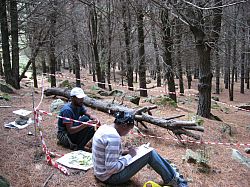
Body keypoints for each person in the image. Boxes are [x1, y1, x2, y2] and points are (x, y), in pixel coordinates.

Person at [92, 111, 188, 187]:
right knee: (150, 154)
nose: (128, 133)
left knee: (149, 151)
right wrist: (130, 156)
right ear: (124, 125)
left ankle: (172, 176)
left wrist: (124, 152)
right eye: (129, 130)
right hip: (110, 177)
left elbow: (106, 153)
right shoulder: (113, 137)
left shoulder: (105, 128)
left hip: (100, 173)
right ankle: (174, 181)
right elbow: (111, 168)